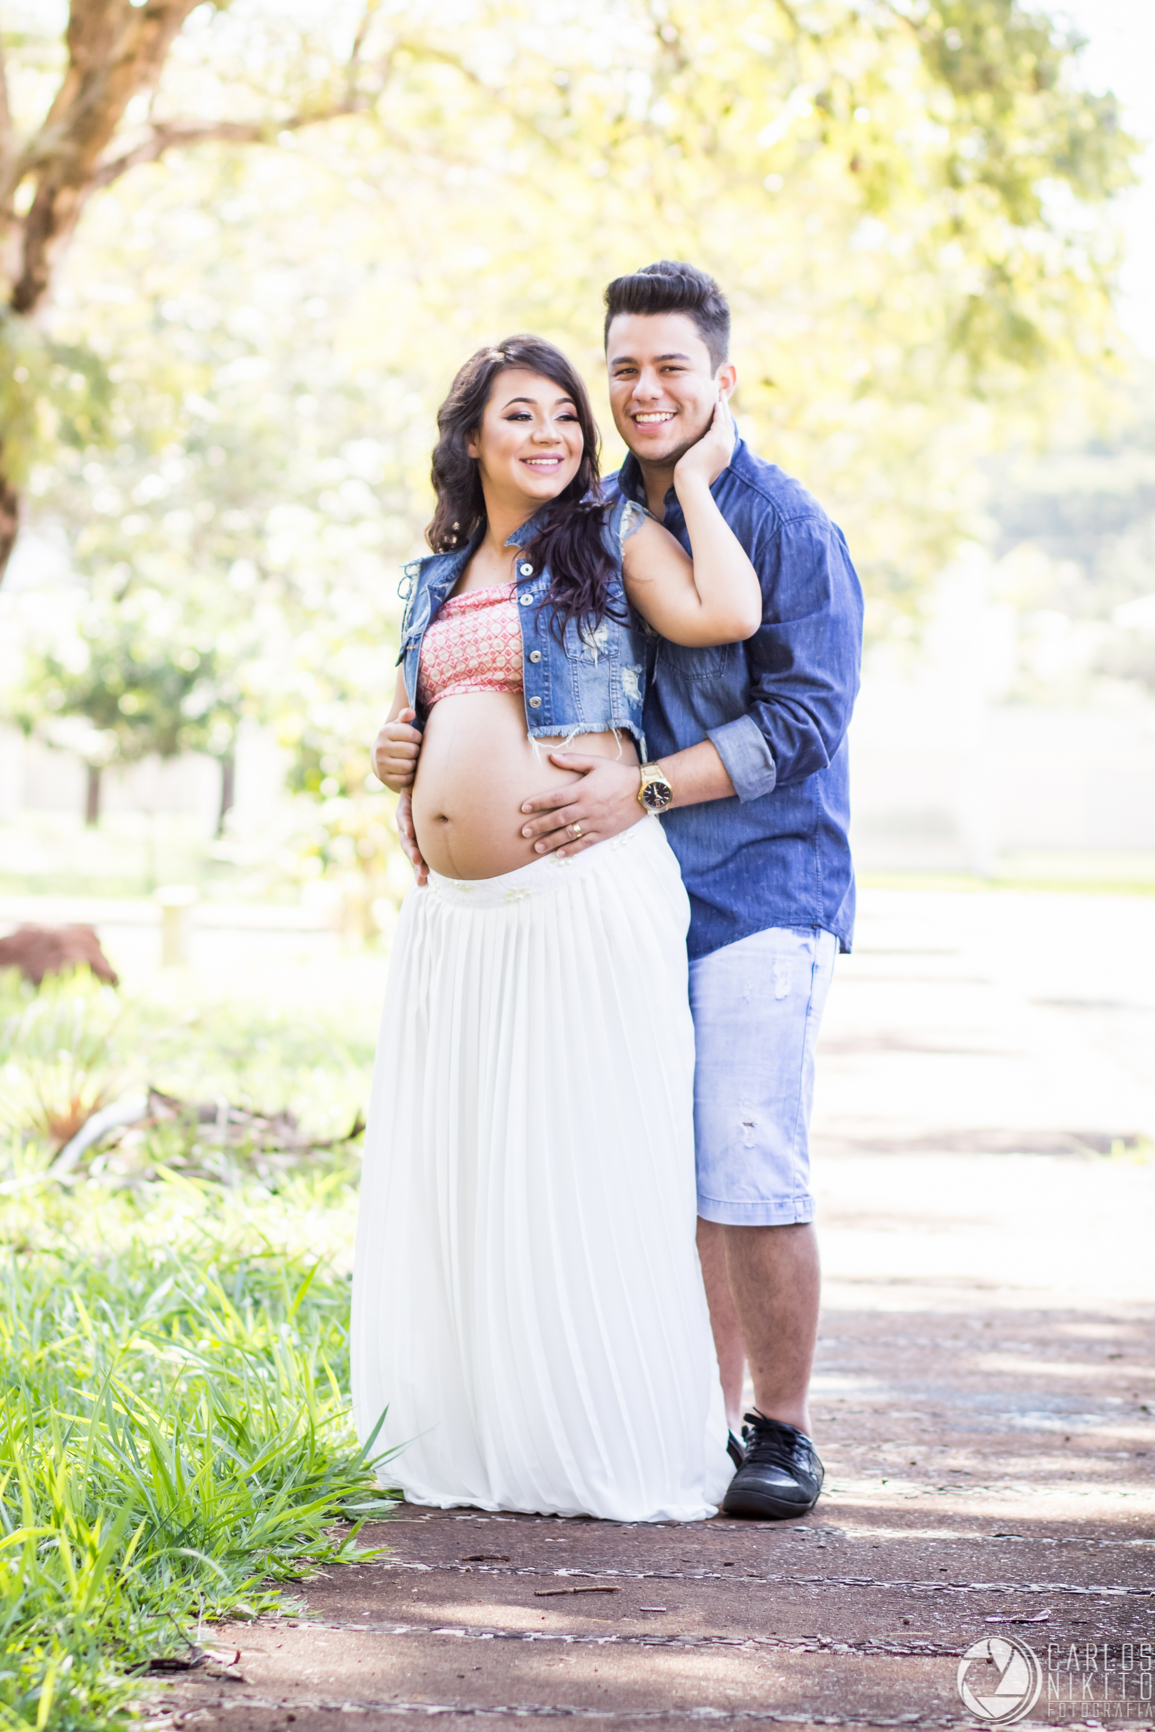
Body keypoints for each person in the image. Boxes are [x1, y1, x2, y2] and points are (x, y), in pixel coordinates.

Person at [355, 333, 764, 1522]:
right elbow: (411, 723)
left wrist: (689, 479)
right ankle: (486, 1436)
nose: (552, 436)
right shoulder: (432, 579)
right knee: (473, 1176)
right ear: (471, 438)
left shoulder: (607, 536)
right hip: (459, 925)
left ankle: (599, 1436)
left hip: (579, 898)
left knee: (582, 1165)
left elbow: (725, 610)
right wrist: (395, 761)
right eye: (522, 417)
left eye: (565, 419)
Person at [499, 264, 864, 1520]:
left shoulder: (786, 525)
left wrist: (643, 790)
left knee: (747, 1158)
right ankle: (691, 1425)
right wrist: (415, 730)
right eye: (624, 368)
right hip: (626, 895)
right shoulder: (586, 516)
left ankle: (784, 1429)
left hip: (766, 885)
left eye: (669, 367)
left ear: (723, 380)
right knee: (657, 1168)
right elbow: (509, 643)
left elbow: (804, 723)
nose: (643, 391)